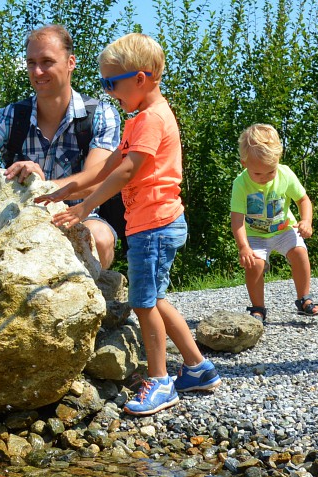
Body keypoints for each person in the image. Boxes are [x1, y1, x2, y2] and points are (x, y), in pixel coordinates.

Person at [38, 33, 220, 416]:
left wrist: (84, 207)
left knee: (142, 303)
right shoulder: (138, 120)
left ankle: (159, 381)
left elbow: (125, 171)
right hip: (150, 224)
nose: (108, 92)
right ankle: (198, 368)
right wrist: (63, 189)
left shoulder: (152, 119)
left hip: (154, 225)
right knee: (156, 298)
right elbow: (104, 167)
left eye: (111, 83)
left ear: (143, 78)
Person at [0, 24, 123, 268]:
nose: (37, 71)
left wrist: (39, 186)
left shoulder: (101, 114)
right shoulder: (9, 117)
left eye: (47, 61)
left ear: (70, 63)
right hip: (18, 221)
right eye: (31, 62)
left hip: (80, 218)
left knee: (99, 237)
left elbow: (96, 181)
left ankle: (91, 300)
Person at [230, 123, 318, 323]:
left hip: (284, 229)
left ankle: (304, 299)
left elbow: (303, 200)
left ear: (278, 161)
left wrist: (306, 220)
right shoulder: (240, 184)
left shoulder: (285, 174)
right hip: (255, 235)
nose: (264, 178)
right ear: (244, 163)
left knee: (299, 252)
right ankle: (258, 308)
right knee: (254, 265)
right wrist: (243, 247)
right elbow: (237, 220)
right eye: (258, 174)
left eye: (270, 172)